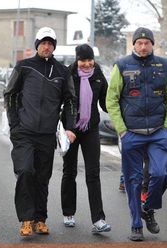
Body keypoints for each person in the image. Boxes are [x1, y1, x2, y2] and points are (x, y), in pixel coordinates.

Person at [106, 27, 167, 241]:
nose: (143, 46)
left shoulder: (164, 65)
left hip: (158, 131)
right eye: (139, 43)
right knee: (133, 180)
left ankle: (149, 208)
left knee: (162, 173)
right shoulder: (122, 65)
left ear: (152, 44)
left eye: (147, 43)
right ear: (134, 44)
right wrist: (122, 130)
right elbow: (112, 99)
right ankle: (136, 224)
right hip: (131, 133)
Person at [4, 27, 77, 237]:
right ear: (37, 45)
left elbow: (71, 100)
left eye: (50, 43)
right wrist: (14, 124)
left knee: (42, 178)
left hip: (46, 135)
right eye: (43, 43)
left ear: (54, 46)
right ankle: (26, 219)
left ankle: (40, 219)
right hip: (23, 133)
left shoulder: (63, 71)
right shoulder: (24, 66)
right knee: (26, 171)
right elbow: (10, 94)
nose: (46, 46)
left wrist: (70, 128)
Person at [60, 44, 111, 233]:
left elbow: (106, 102)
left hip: (91, 128)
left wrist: (124, 108)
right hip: (70, 129)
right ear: (77, 60)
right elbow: (60, 101)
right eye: (83, 61)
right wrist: (63, 127)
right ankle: (68, 213)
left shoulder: (98, 75)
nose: (87, 64)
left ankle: (98, 219)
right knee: (69, 171)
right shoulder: (68, 74)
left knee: (93, 173)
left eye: (90, 60)